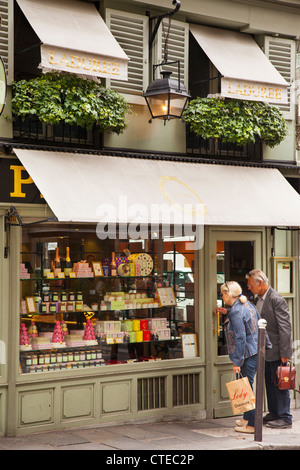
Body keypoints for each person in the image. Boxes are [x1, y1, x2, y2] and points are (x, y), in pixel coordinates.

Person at [246, 269, 292, 429]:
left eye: (251, 284)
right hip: (263, 351)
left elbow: (285, 328)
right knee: (269, 382)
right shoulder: (259, 299)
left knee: (280, 383)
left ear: (259, 283)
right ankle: (274, 412)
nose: (249, 287)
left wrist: (286, 354)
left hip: (277, 350)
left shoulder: (276, 299)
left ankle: (285, 417)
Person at [219, 281, 260, 434]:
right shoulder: (247, 305)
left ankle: (253, 425)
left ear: (228, 294)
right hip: (254, 351)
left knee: (246, 389)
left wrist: (237, 362)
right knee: (246, 386)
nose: (222, 296)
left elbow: (241, 338)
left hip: (247, 354)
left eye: (223, 293)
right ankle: (246, 419)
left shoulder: (236, 311)